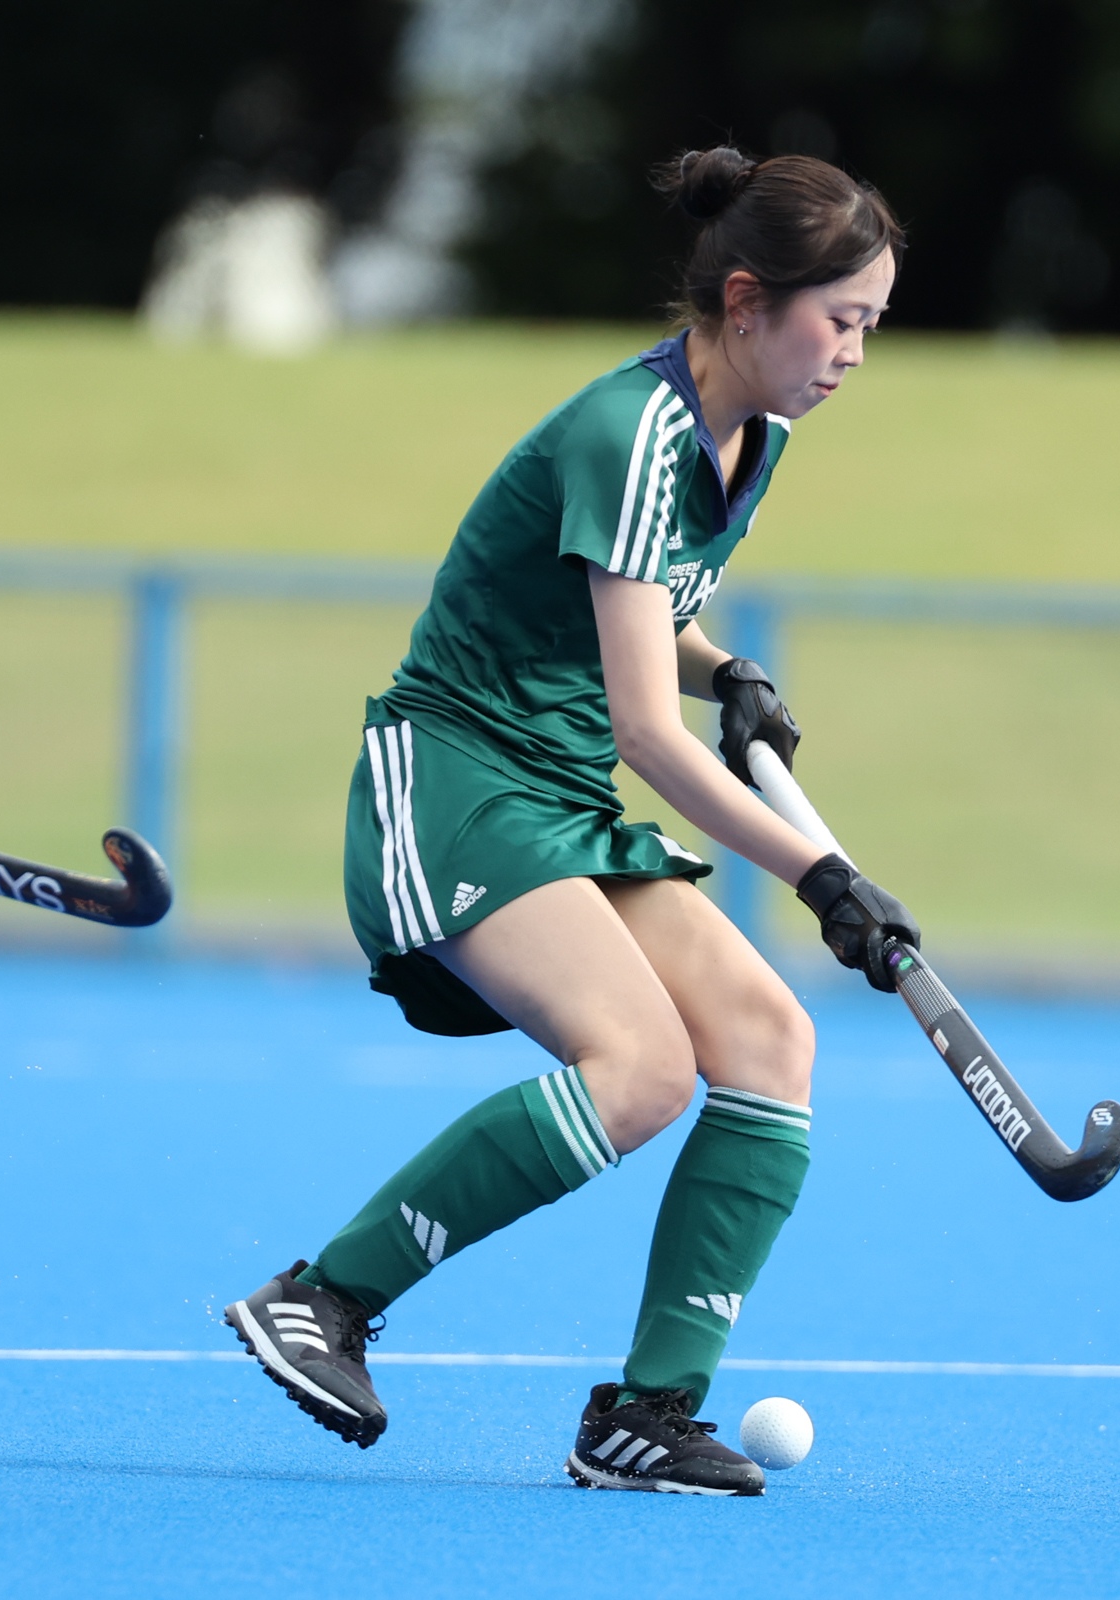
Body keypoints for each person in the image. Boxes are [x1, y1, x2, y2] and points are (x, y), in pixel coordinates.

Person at [224, 147, 914, 1496]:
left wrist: (730, 668)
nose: (852, 356)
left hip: (558, 793)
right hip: (458, 781)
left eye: (871, 328)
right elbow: (647, 733)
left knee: (769, 1040)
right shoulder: (631, 433)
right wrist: (823, 872)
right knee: (641, 1068)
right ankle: (326, 1296)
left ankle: (647, 1414)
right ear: (746, 302)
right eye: (840, 321)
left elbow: (639, 617)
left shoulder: (750, 439)